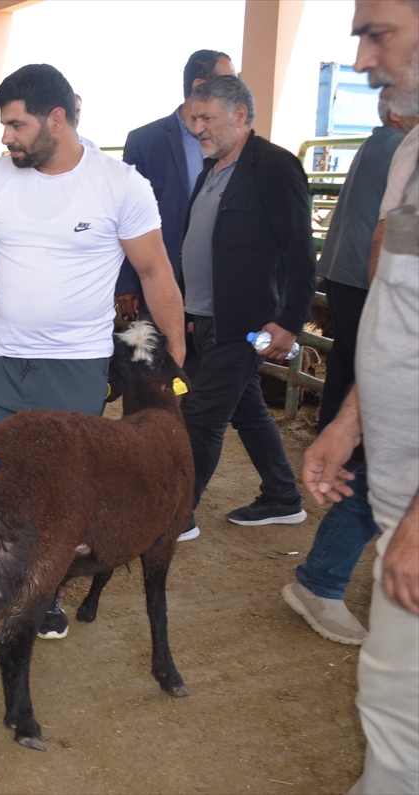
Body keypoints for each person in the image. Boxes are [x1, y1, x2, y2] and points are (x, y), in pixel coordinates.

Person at [0, 64, 185, 639]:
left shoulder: (120, 184)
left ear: (58, 118)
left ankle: (48, 592)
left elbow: (154, 272)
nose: (5, 138)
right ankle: (3, 577)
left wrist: (176, 360)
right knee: (0, 480)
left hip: (74, 366)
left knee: (63, 489)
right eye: (4, 126)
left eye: (16, 125)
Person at [306, 3, 418, 791]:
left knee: (395, 698)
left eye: (378, 32)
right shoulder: (412, 151)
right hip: (396, 494)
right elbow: (396, 299)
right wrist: (348, 419)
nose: (361, 61)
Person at [283, 101, 413, 646]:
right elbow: (387, 250)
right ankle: (323, 577)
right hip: (375, 304)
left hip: (355, 291)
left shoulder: (385, 145)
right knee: (387, 444)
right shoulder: (399, 146)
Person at [178, 75, 316, 540]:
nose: (197, 127)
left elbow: (301, 252)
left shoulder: (274, 167)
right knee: (247, 408)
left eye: (206, 118)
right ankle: (283, 496)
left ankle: (176, 516)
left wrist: (291, 321)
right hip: (208, 318)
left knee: (200, 416)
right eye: (193, 117)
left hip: (248, 323)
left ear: (240, 116)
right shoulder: (212, 168)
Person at [115, 50, 237, 322]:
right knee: (161, 363)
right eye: (230, 81)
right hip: (160, 284)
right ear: (199, 86)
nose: (238, 88)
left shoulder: (235, 140)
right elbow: (125, 216)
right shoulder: (145, 142)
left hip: (220, 289)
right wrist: (127, 283)